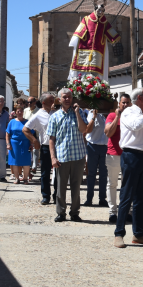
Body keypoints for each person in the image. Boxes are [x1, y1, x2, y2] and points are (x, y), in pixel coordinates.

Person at [113, 88, 143, 248]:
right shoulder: (129, 112)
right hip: (131, 155)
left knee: (142, 196)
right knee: (127, 195)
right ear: (140, 98)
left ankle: (139, 234)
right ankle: (119, 233)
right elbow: (137, 125)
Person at [46, 88, 87, 222]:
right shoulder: (54, 117)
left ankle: (74, 212)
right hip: (62, 157)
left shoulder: (78, 112)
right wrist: (53, 157)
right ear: (59, 99)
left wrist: (77, 113)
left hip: (78, 156)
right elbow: (51, 139)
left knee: (76, 186)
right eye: (64, 97)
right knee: (60, 187)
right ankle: (61, 212)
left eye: (69, 97)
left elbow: (83, 129)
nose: (67, 99)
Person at [23, 92, 57, 205]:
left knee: (59, 173)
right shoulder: (38, 115)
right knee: (45, 173)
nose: (53, 102)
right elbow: (25, 129)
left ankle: (58, 196)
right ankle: (46, 196)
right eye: (51, 100)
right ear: (44, 103)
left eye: (53, 100)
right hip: (46, 147)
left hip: (59, 146)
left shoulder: (57, 112)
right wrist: (34, 140)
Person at [104, 94, 131, 223]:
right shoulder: (112, 116)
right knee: (112, 184)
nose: (125, 105)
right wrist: (118, 118)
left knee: (127, 185)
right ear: (119, 104)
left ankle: (127, 210)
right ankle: (113, 211)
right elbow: (108, 132)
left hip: (129, 155)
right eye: (123, 103)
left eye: (127, 103)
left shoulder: (132, 117)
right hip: (113, 154)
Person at [82, 107, 109, 207]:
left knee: (103, 175)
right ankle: (89, 199)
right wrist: (94, 117)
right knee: (91, 174)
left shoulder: (105, 114)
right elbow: (87, 130)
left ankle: (102, 199)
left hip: (104, 147)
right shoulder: (90, 114)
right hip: (93, 146)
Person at [6, 107, 31, 184]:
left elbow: (31, 133)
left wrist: (32, 143)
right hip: (14, 144)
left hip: (26, 143)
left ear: (23, 112)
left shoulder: (27, 122)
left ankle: (25, 178)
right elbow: (7, 133)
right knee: (15, 161)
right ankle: (17, 178)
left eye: (21, 111)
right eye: (18, 111)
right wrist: (8, 144)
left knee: (26, 161)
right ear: (16, 112)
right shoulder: (12, 122)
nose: (19, 112)